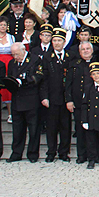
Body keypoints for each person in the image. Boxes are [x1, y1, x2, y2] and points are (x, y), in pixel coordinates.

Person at [6, 42, 43, 162]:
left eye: (16, 54)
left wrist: (24, 81)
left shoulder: (34, 59)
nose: (15, 57)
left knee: (33, 130)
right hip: (17, 99)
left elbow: (39, 76)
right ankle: (16, 153)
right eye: (13, 55)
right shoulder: (12, 63)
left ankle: (32, 154)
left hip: (31, 99)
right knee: (17, 130)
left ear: (23, 51)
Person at [40, 29, 72, 162]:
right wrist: (44, 97)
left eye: (59, 40)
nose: (57, 43)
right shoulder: (47, 57)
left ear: (64, 42)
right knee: (51, 127)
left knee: (66, 126)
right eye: (54, 40)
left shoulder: (70, 56)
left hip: (66, 98)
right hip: (52, 97)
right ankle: (51, 152)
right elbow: (43, 79)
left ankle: (64, 152)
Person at [66, 41, 98, 164]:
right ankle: (81, 155)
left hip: (95, 103)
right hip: (79, 103)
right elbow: (68, 84)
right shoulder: (74, 65)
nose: (85, 51)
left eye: (88, 49)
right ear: (79, 52)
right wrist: (69, 100)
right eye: (83, 49)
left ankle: (94, 156)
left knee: (94, 130)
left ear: (92, 50)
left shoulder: (98, 64)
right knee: (80, 130)